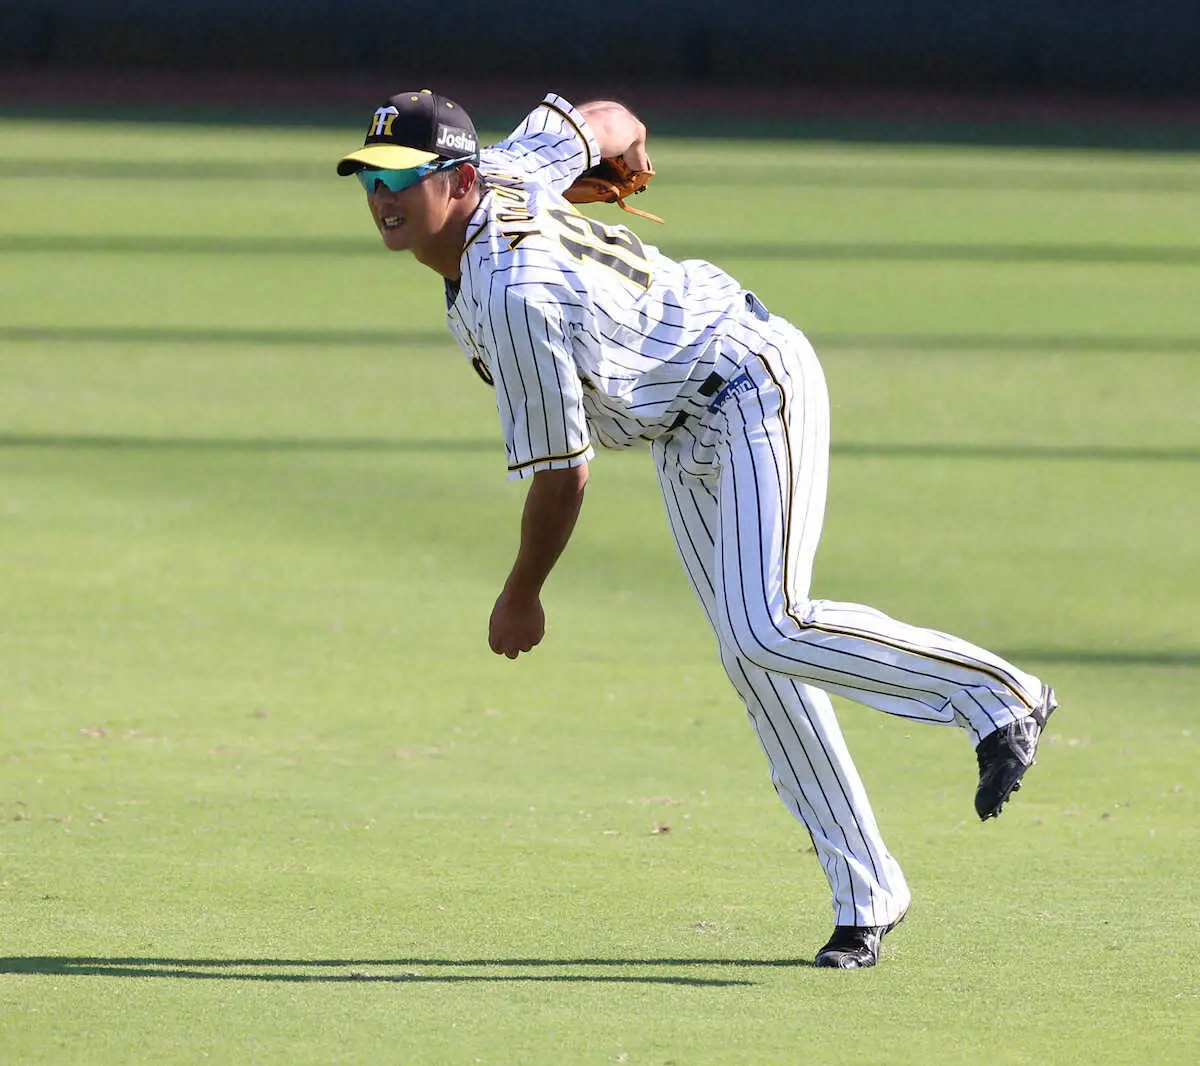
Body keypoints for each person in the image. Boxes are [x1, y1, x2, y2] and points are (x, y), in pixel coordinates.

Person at [336, 89, 1058, 969]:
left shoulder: (509, 293)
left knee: (771, 623)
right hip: (681, 425)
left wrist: (520, 594)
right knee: (756, 660)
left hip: (751, 382)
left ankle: (1000, 696)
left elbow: (564, 475)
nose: (382, 196)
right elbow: (603, 117)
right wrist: (629, 149)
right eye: (371, 176)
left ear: (456, 177)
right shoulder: (513, 165)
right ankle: (866, 895)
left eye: (402, 177)